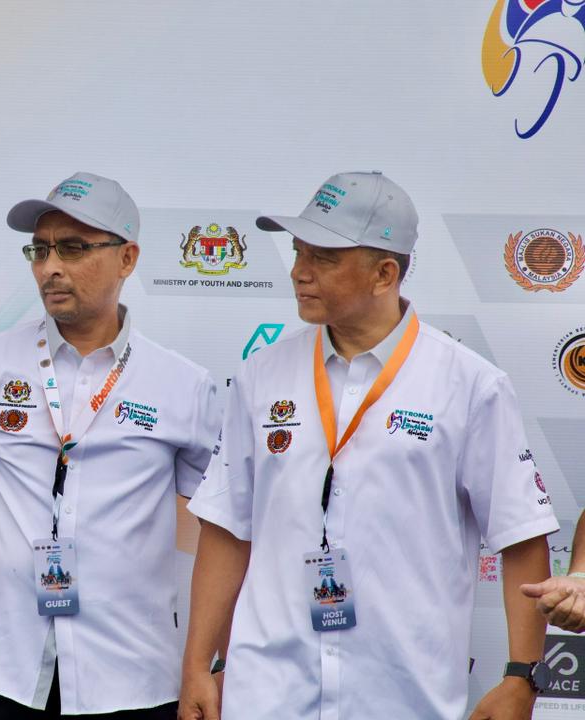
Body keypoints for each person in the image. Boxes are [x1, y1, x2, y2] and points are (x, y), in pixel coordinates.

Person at [179, 171, 559, 720]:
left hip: (403, 696)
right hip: (268, 694)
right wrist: (197, 665)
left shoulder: (471, 384)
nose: (299, 271)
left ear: (385, 274)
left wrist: (522, 676)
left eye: (324, 257)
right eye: (298, 251)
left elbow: (521, 537)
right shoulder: (261, 374)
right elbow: (226, 528)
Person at [0, 172, 221, 719]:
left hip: (132, 675)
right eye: (40, 249)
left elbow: (223, 532)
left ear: (127, 258)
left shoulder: (184, 385)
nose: (49, 267)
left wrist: (202, 664)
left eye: (73, 248)